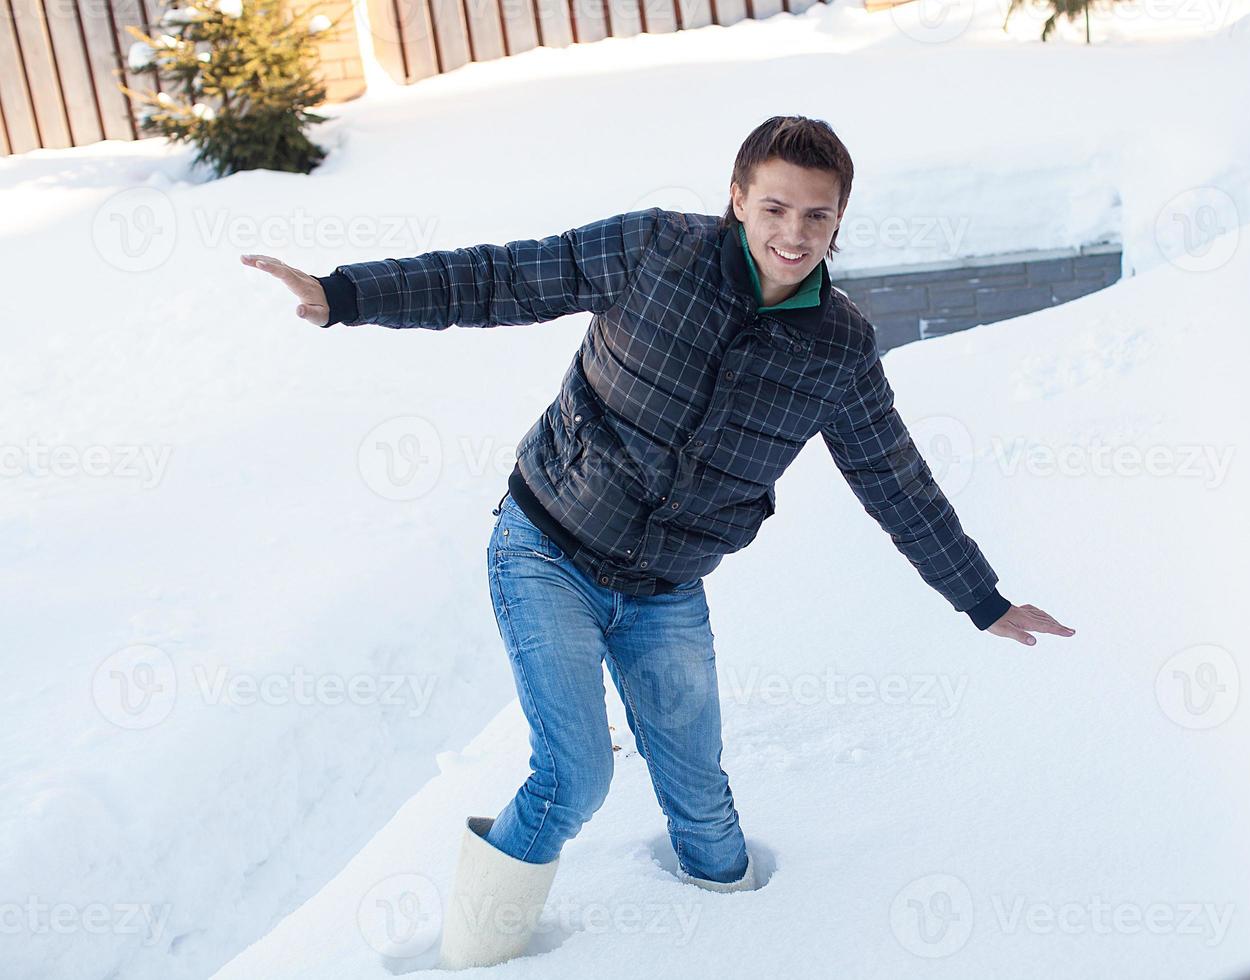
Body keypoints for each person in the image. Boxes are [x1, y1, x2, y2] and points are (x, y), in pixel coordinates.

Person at [241, 114, 1074, 969]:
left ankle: (741, 948)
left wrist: (983, 599)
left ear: (838, 222)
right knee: (573, 777)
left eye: (816, 216)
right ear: (737, 199)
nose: (793, 233)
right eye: (776, 207)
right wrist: (346, 295)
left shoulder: (840, 348)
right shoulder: (653, 252)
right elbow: (500, 279)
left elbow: (894, 480)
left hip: (665, 589)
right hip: (546, 547)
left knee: (704, 807)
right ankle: (470, 958)